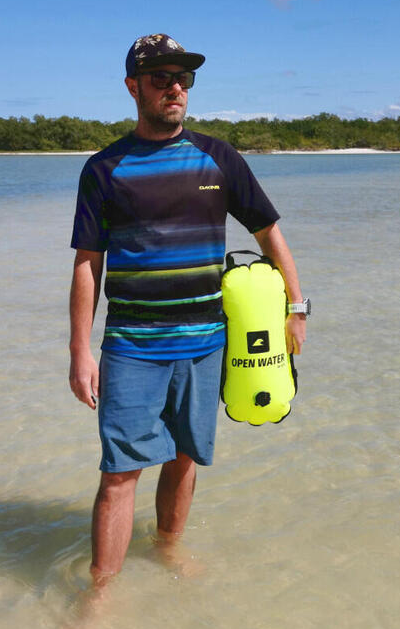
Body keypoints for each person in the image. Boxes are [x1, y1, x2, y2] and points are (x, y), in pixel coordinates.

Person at [68, 33, 308, 592]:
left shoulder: (219, 157)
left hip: (205, 344)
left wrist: (296, 309)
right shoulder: (104, 169)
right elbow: (87, 264)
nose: (175, 87)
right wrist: (80, 350)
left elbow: (270, 234)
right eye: (161, 78)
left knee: (184, 459)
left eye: (184, 78)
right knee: (120, 472)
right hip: (133, 346)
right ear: (134, 87)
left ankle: (167, 552)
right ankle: (100, 590)